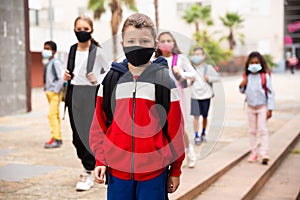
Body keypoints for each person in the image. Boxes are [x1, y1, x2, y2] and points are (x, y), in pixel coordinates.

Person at [90, 13, 185, 200]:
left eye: (144, 41)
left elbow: (175, 130)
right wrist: (100, 159)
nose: (137, 46)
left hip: (154, 173)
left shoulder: (164, 82)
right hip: (117, 172)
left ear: (155, 45)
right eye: (131, 40)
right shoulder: (111, 80)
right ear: (122, 44)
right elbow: (99, 125)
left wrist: (176, 169)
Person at [63, 15, 109, 191]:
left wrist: (97, 79)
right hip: (74, 93)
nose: (81, 32)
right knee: (76, 134)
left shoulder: (97, 51)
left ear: (91, 30)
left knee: (90, 132)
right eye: (79, 29)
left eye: (85, 29)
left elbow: (110, 71)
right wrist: (66, 77)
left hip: (91, 93)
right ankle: (89, 165)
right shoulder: (72, 49)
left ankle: (90, 169)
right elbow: (69, 71)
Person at [155, 31, 197, 168]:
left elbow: (193, 74)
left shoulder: (179, 59)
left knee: (180, 126)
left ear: (173, 43)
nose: (166, 43)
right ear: (158, 44)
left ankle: (189, 151)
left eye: (169, 40)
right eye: (163, 41)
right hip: (159, 96)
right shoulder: (155, 60)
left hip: (177, 96)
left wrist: (181, 73)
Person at [239, 51, 275, 165]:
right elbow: (243, 91)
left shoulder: (265, 77)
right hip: (250, 107)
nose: (254, 65)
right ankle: (253, 152)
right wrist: (241, 85)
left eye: (257, 62)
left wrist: (270, 108)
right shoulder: (247, 77)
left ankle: (264, 153)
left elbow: (271, 93)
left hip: (262, 107)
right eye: (252, 63)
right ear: (248, 64)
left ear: (261, 64)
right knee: (252, 131)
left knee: (263, 130)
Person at [189, 46, 220, 144]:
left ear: (203, 56)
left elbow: (217, 77)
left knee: (205, 116)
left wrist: (209, 78)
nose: (196, 56)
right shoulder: (190, 68)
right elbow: (184, 82)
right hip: (195, 96)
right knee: (196, 116)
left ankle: (203, 134)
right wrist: (190, 81)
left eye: (199, 54)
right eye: (195, 54)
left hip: (206, 96)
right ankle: (196, 136)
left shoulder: (208, 68)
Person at [42, 41, 64, 148]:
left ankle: (56, 138)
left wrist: (56, 90)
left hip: (55, 93)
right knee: (55, 115)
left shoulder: (56, 62)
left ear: (54, 51)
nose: (45, 51)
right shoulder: (49, 63)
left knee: (51, 115)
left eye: (48, 49)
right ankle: (57, 137)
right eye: (44, 48)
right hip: (49, 92)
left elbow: (61, 78)